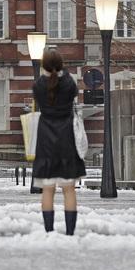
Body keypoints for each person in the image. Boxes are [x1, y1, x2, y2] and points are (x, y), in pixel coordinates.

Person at [32, 48, 86, 235]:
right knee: (69, 189)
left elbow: (42, 90)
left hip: (46, 137)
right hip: (66, 138)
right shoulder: (69, 84)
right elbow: (71, 90)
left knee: (48, 189)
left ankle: (49, 231)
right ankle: (70, 232)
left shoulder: (38, 86)